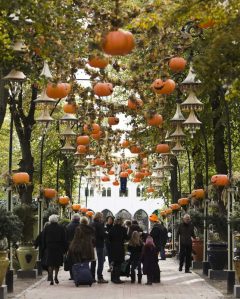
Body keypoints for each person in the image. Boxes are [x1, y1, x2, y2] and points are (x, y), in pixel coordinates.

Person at [42, 214, 67, 285]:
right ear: (57, 220)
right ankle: (56, 276)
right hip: (58, 247)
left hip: (49, 247)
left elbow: (43, 238)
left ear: (50, 220)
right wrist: (65, 249)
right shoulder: (61, 228)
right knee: (57, 264)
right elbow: (64, 239)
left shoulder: (47, 228)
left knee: (50, 263)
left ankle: (51, 278)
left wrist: (44, 248)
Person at [109, 217, 129, 284]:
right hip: (120, 247)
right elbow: (126, 237)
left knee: (114, 263)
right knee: (118, 263)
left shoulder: (112, 229)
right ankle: (117, 279)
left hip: (113, 248)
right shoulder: (123, 229)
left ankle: (113, 278)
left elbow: (109, 238)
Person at [90, 212, 108, 283]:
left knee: (93, 261)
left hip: (92, 245)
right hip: (99, 245)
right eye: (102, 217)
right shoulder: (99, 225)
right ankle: (100, 277)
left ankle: (92, 277)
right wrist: (107, 234)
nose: (102, 218)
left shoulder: (91, 224)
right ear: (99, 217)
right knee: (101, 261)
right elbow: (102, 234)